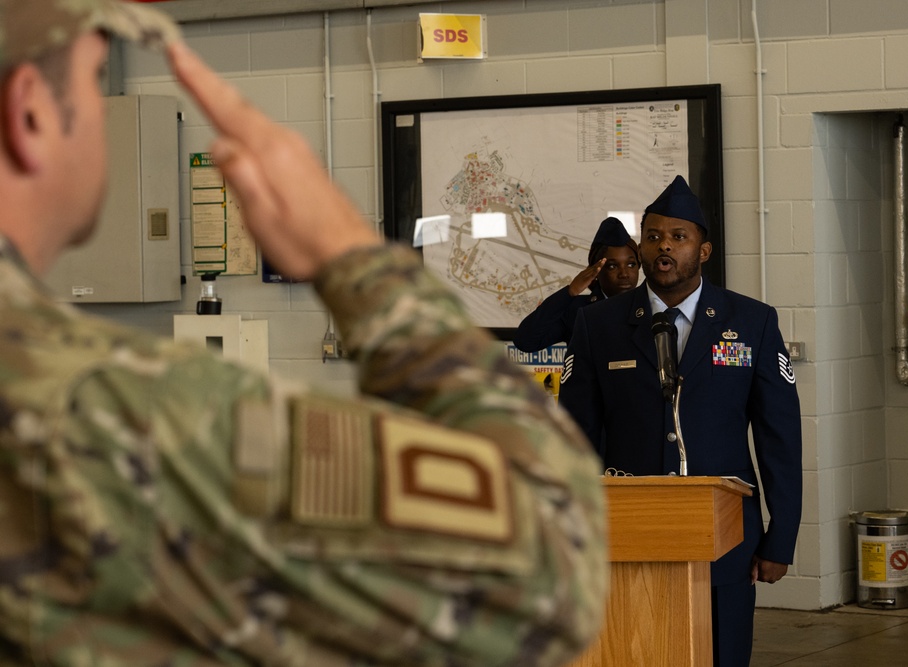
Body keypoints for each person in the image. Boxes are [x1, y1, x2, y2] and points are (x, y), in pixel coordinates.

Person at [0, 2, 607, 665]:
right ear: (31, 112)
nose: (104, 113)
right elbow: (548, 572)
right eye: (95, 79)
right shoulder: (115, 410)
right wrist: (351, 256)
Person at [558, 175, 802, 666]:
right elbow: (574, 435)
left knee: (724, 654)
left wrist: (782, 536)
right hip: (625, 532)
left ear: (704, 250)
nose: (663, 247)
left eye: (678, 237)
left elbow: (779, 438)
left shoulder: (751, 321)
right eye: (652, 237)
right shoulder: (598, 325)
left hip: (725, 536)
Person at [513, 216, 639, 352]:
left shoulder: (651, 306)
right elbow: (525, 341)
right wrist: (569, 292)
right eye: (613, 266)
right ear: (596, 270)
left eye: (631, 264)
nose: (624, 274)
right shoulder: (579, 311)